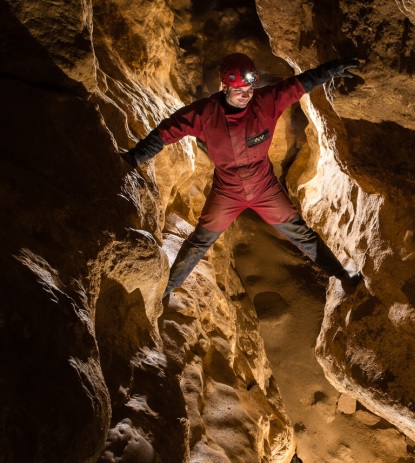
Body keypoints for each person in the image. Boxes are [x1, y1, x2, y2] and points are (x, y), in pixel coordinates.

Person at [121, 52, 363, 301]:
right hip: (228, 192)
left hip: (264, 187)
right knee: (200, 241)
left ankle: (343, 275)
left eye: (249, 88)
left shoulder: (266, 101)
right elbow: (166, 132)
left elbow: (300, 84)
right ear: (224, 87)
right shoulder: (205, 113)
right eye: (239, 90)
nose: (246, 94)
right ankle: (166, 290)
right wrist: (135, 157)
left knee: (299, 233)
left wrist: (332, 69)